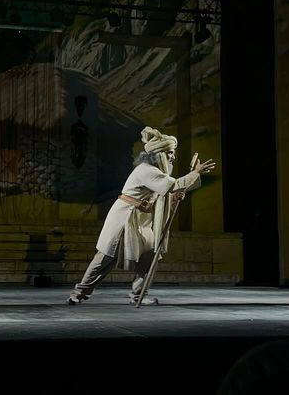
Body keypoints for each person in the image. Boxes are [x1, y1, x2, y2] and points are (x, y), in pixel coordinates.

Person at [67, 126, 216, 306]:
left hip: (141, 220)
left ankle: (139, 295)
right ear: (159, 154)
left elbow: (163, 192)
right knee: (105, 257)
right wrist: (195, 173)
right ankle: (79, 293)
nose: (173, 157)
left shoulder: (156, 173)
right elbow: (171, 185)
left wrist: (174, 197)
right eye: (169, 153)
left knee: (149, 255)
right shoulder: (146, 170)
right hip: (124, 217)